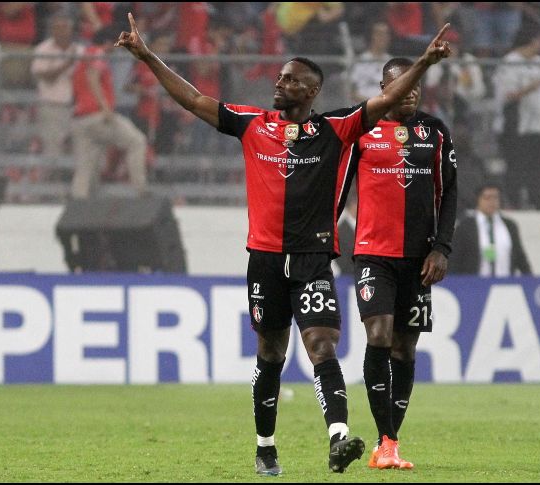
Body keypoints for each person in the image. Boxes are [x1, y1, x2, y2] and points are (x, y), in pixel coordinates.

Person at [114, 12, 451, 476]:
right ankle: (265, 445)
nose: (280, 83)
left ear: (311, 91)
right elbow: (193, 99)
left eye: (291, 80)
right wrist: (148, 55)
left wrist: (424, 63)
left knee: (322, 346)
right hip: (265, 261)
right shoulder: (253, 123)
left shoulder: (336, 129)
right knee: (271, 354)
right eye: (280, 77)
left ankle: (338, 439)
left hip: (313, 259)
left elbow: (388, 98)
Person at [343, 57, 457, 470]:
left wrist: (441, 247)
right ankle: (387, 440)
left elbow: (449, 193)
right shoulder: (361, 128)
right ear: (382, 88)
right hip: (374, 253)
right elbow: (337, 183)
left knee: (405, 348)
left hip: (418, 257)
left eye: (416, 87)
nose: (410, 93)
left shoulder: (435, 131)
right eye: (400, 86)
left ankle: (387, 441)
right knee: (379, 334)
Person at [71, 26, 148, 199]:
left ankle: (78, 200)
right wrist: (105, 107)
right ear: (108, 42)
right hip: (98, 115)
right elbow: (93, 76)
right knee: (137, 141)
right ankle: (142, 191)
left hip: (80, 118)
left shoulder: (84, 57)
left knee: (85, 164)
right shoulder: (98, 53)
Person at [492, 27, 540, 210]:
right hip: (515, 124)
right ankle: (515, 201)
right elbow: (508, 95)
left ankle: (537, 199)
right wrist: (531, 87)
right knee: (516, 165)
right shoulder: (509, 63)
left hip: (538, 123)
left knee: (538, 165)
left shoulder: (539, 62)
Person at [449, 184, 532, 276]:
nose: (492, 202)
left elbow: (520, 256)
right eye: (487, 197)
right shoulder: (466, 226)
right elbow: (455, 258)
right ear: (478, 200)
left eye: (495, 198)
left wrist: (530, 280)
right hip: (474, 284)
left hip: (505, 284)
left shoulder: (509, 226)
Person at [31, 14, 83, 157]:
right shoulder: (43, 49)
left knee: (78, 151)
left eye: (64, 27)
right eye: (57, 28)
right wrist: (67, 64)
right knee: (53, 151)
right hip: (52, 106)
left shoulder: (80, 51)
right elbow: (43, 76)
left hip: (77, 108)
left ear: (71, 30)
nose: (61, 31)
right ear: (52, 30)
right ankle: (53, 179)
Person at [349, 21, 392, 103]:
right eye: (379, 34)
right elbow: (352, 92)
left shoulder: (392, 63)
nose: (383, 38)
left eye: (386, 34)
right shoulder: (360, 61)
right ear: (371, 36)